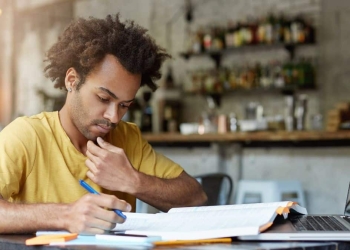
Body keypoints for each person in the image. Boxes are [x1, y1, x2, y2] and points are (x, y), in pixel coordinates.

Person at [0, 14, 207, 234]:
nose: (114, 117)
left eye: (124, 105)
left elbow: (196, 198)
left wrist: (133, 181)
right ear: (72, 81)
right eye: (104, 99)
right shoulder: (26, 136)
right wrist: (66, 215)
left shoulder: (127, 139)